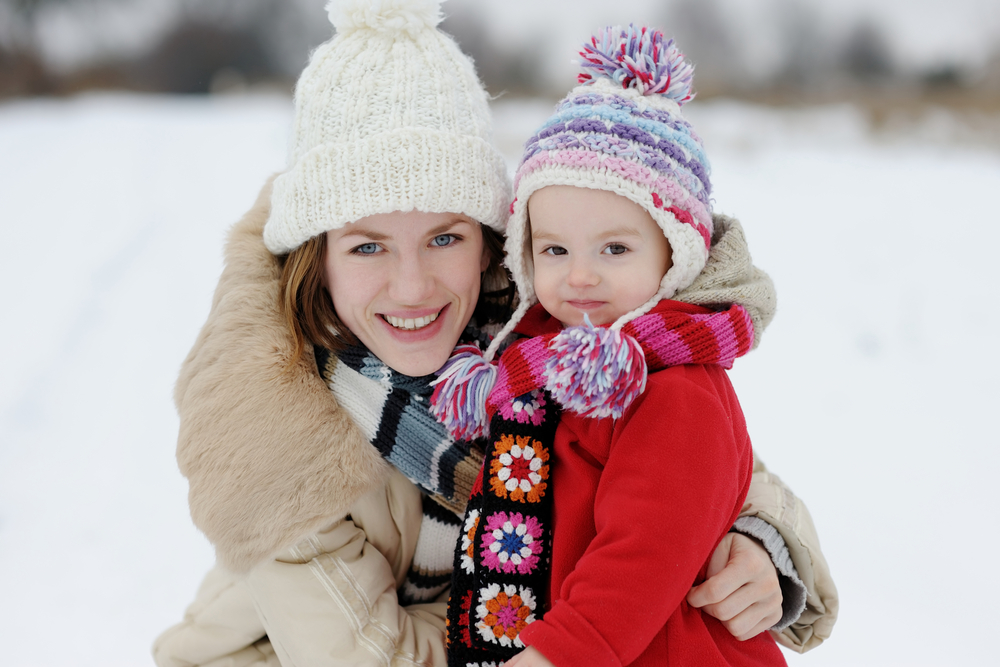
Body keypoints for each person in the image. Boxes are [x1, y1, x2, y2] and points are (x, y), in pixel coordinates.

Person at [153, 3, 837, 667]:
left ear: (490, 244)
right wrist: (575, 628)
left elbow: (695, 453)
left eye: (443, 237)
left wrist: (756, 543)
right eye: (367, 248)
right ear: (316, 256)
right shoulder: (274, 442)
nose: (414, 286)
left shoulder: (533, 331)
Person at [432, 25, 818, 667]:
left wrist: (559, 654)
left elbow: (646, 551)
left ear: (676, 254)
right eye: (555, 249)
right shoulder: (535, 365)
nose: (580, 275)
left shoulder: (674, 387)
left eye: (615, 248)